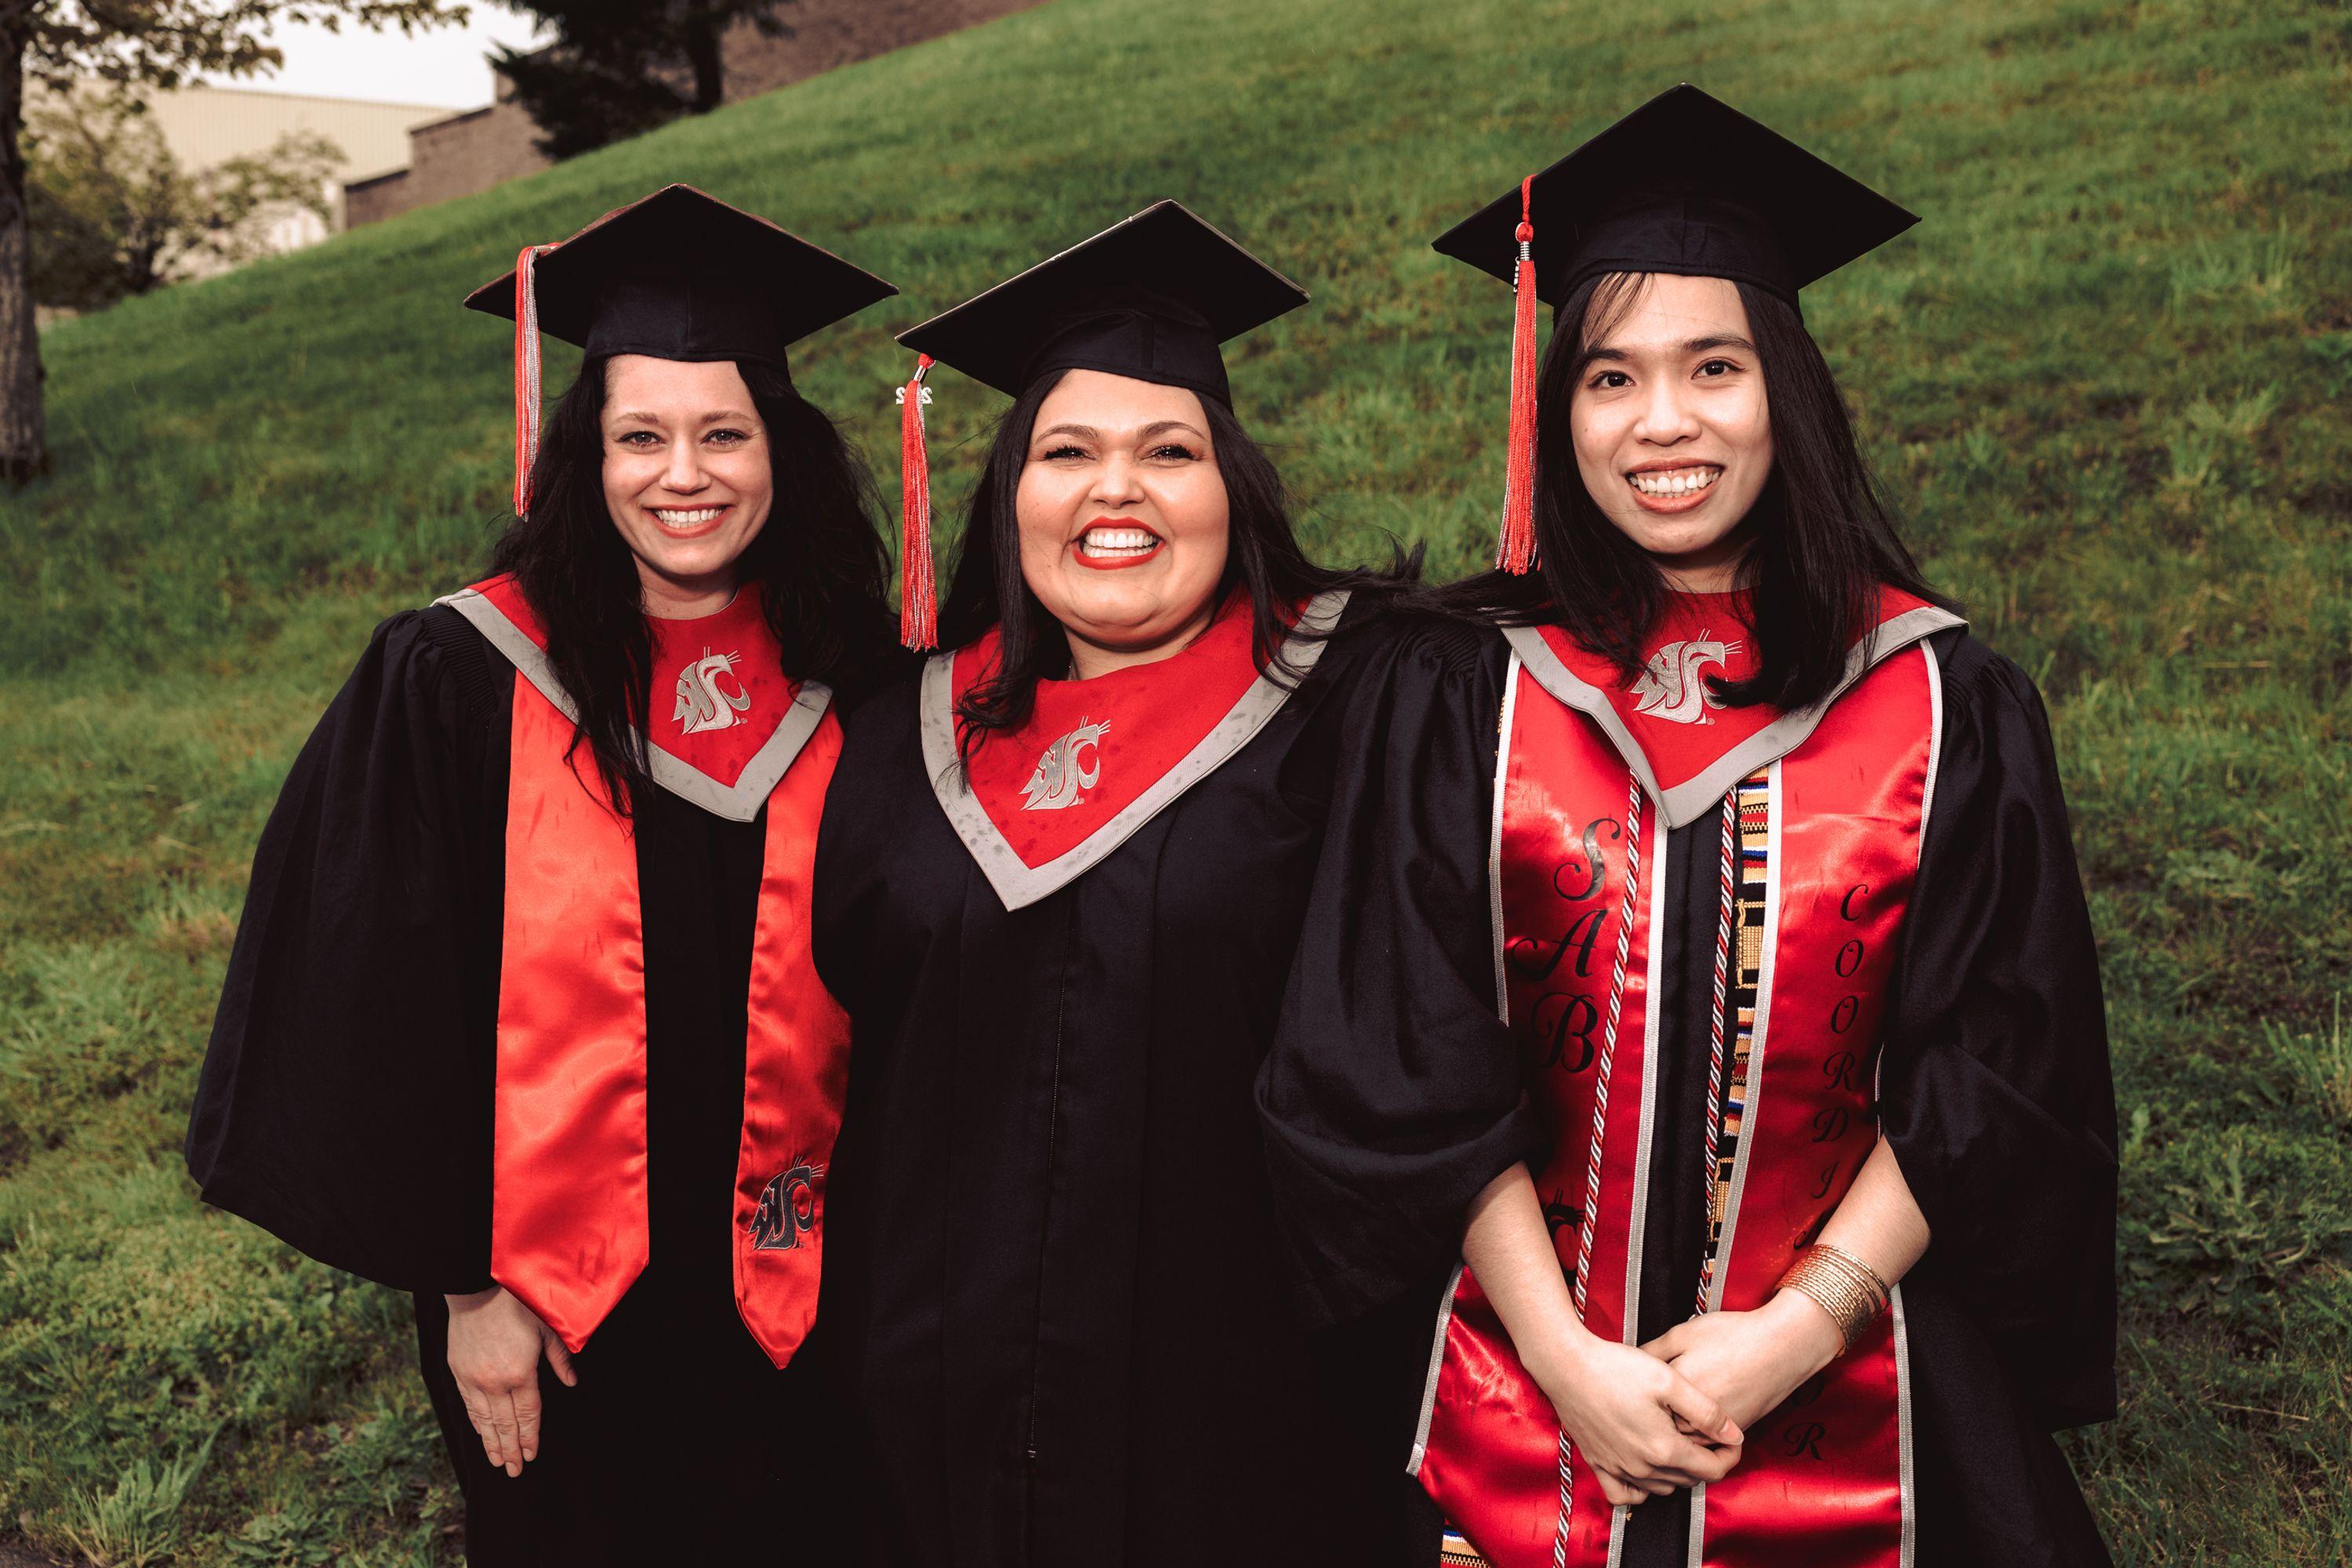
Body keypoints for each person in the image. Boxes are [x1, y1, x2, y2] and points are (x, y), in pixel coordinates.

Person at [1258, 87, 2118, 1568]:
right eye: (1610, 377)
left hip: (1850, 1380)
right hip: (1514, 1381)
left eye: (1713, 366)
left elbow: (1994, 1067)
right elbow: (1407, 1052)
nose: (1663, 423)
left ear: (1787, 385)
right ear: (1559, 411)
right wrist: (1571, 1365)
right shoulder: (1463, 692)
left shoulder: (1942, 698)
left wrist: (1794, 1336)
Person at [183, 184, 898, 1564]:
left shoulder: (859, 684)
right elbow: (387, 1003)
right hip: (558, 1320)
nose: (682, 472)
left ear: (780, 454)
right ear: (586, 454)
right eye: (641, 435)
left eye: (722, 434)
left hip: (815, 1296)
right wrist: (466, 1289)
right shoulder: (461, 680)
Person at [811, 201, 1457, 1565]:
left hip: (1258, 1422)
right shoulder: (892, 739)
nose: (1117, 491)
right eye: (1068, 453)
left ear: (1236, 486)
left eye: (1170, 451)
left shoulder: (1364, 701)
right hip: (940, 1405)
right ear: (1010, 494)